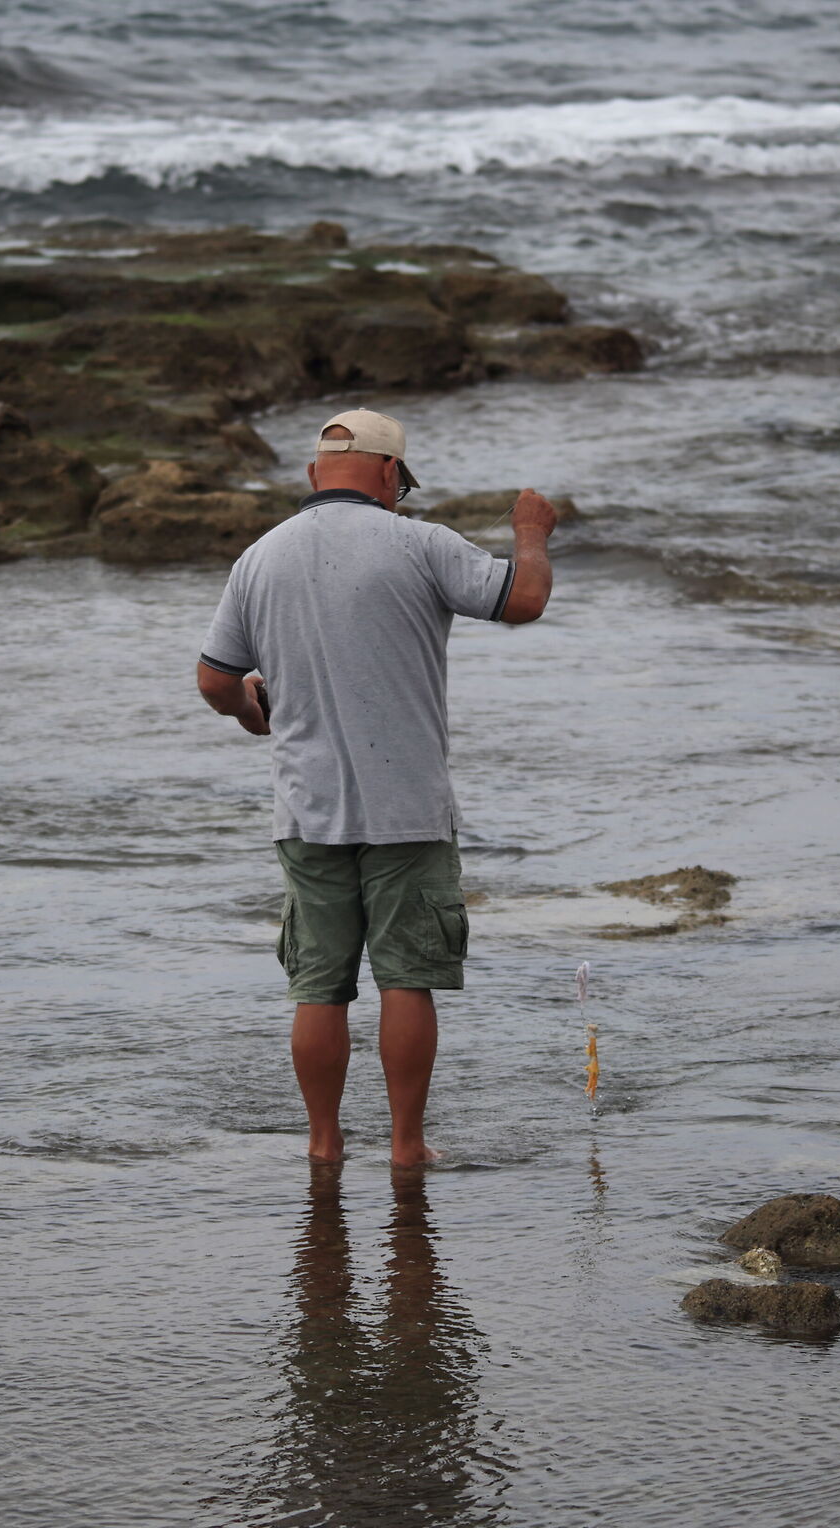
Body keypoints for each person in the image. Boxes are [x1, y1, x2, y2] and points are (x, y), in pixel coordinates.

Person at [195, 408, 558, 1167]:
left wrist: (248, 712)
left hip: (307, 807)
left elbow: (214, 678)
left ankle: (323, 1145)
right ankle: (405, 1145)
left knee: (319, 988)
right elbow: (522, 600)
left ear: (312, 475)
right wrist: (531, 532)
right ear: (392, 475)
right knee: (406, 980)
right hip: (408, 808)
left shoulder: (259, 558)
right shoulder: (419, 542)